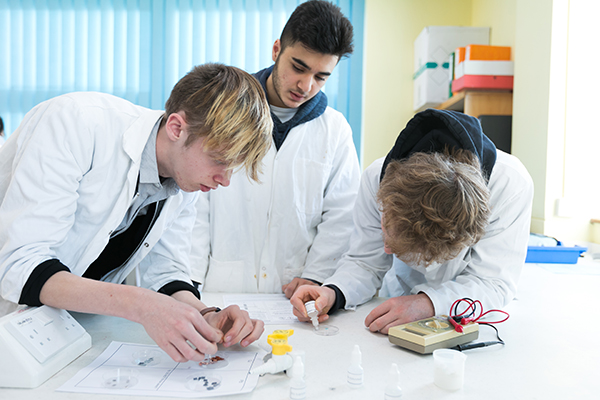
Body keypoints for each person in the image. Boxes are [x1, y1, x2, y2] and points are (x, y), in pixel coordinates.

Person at [0, 63, 273, 362]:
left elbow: (165, 273)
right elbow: (20, 265)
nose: (225, 180)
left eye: (233, 166)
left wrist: (204, 316)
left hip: (64, 332)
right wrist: (142, 305)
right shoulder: (74, 122)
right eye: (220, 159)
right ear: (176, 128)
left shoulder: (183, 181)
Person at [290, 109, 534, 334]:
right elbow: (366, 263)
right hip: (400, 302)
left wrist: (429, 304)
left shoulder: (511, 184)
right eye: (390, 236)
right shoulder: (376, 179)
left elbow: (492, 283)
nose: (386, 249)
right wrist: (333, 292)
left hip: (470, 316)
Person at [190, 0, 360, 297]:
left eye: (321, 77)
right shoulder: (225, 111)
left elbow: (342, 216)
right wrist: (188, 286)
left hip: (294, 295)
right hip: (220, 289)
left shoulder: (335, 131)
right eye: (299, 67)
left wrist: (316, 276)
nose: (306, 86)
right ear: (276, 50)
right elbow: (195, 207)